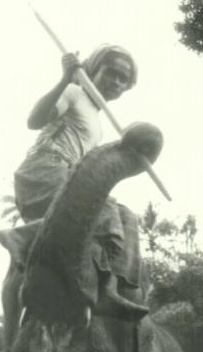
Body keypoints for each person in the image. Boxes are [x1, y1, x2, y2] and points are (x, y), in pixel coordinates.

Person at [13, 44, 148, 319]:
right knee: (105, 205)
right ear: (93, 70)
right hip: (45, 168)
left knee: (127, 218)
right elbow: (34, 120)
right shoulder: (74, 94)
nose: (117, 83)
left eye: (124, 80)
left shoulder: (99, 125)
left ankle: (112, 287)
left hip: (69, 175)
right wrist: (64, 78)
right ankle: (25, 235)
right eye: (111, 73)